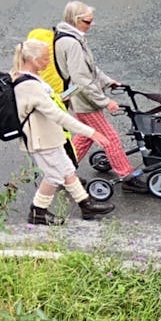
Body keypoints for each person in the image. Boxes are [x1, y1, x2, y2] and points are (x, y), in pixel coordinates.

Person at [9, 39, 114, 225]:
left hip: (49, 136)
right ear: (32, 59)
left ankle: (86, 205)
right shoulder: (28, 85)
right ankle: (38, 212)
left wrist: (69, 93)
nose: (49, 61)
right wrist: (92, 133)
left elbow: (51, 103)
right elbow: (57, 114)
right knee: (54, 176)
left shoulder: (30, 77)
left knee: (67, 169)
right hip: (42, 139)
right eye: (45, 58)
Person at [53, 1, 146, 193]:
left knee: (86, 135)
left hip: (77, 95)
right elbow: (82, 80)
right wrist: (105, 102)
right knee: (108, 137)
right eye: (88, 21)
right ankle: (126, 175)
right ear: (76, 20)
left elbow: (90, 68)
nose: (91, 25)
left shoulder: (73, 37)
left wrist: (106, 80)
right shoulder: (71, 43)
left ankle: (63, 173)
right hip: (83, 99)